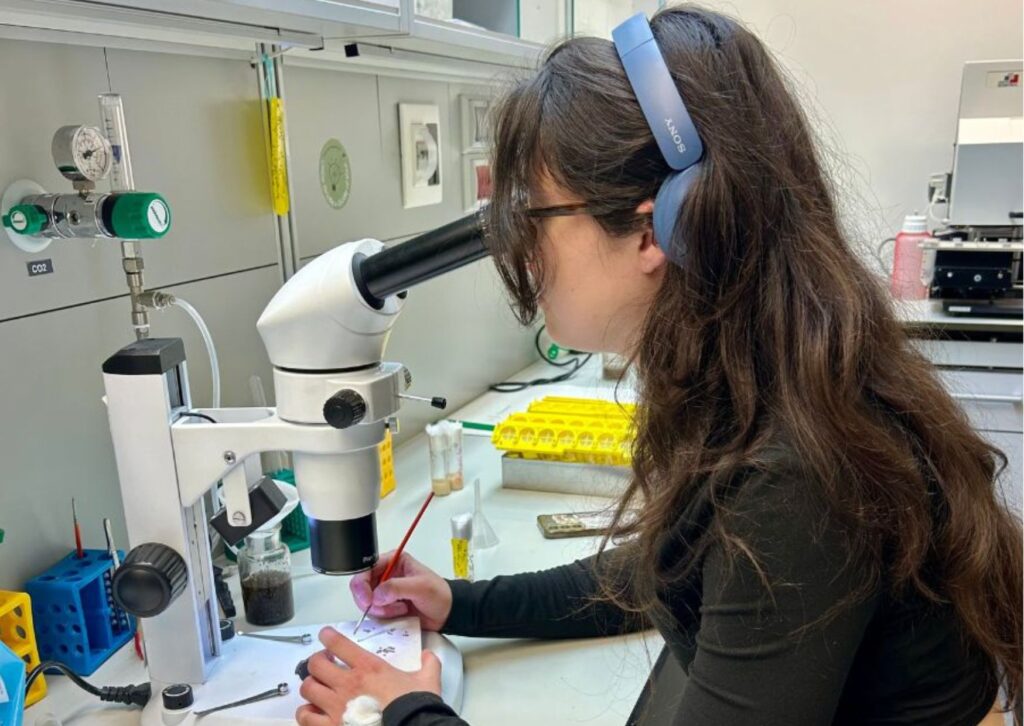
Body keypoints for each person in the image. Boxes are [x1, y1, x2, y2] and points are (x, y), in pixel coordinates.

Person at [295, 6, 1023, 725]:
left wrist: (402, 715)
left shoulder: (794, 475)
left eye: (537, 216)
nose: (520, 253)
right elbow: (664, 569)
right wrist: (461, 601)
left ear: (652, 230)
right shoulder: (761, 377)